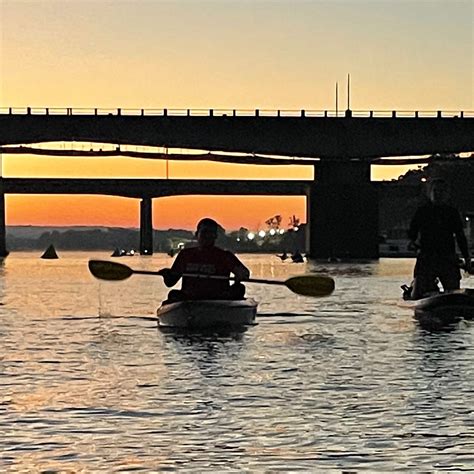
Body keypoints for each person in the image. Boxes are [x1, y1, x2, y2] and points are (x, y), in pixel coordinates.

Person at [407, 177, 471, 300]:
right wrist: (412, 242)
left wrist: (466, 258)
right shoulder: (422, 211)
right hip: (427, 257)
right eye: (435, 191)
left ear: (447, 194)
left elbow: (460, 236)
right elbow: (412, 231)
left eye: (441, 191)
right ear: (430, 193)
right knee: (419, 291)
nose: (438, 194)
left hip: (447, 257)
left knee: (453, 290)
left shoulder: (452, 212)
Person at [158, 218, 250, 302]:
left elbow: (245, 273)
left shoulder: (225, 256)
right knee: (173, 294)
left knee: (239, 288)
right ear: (197, 234)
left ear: (215, 236)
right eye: (204, 232)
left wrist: (240, 275)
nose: (207, 236)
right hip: (190, 297)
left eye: (211, 233)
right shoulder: (185, 255)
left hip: (218, 298)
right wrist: (167, 274)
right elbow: (170, 282)